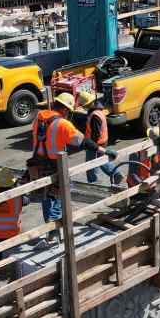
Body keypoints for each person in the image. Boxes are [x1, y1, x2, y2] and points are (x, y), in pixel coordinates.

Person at [28, 92, 113, 222]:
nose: (69, 114)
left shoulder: (39, 118)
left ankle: (53, 225)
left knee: (46, 196)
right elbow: (83, 141)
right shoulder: (63, 124)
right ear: (65, 109)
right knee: (56, 197)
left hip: (37, 162)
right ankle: (56, 229)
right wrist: (103, 150)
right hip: (54, 165)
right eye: (69, 111)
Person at [76, 90, 118, 184]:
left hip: (95, 143)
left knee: (90, 165)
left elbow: (95, 133)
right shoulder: (98, 110)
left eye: (85, 106)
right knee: (102, 161)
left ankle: (93, 182)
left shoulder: (94, 116)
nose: (85, 108)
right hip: (102, 141)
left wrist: (92, 145)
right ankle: (116, 174)